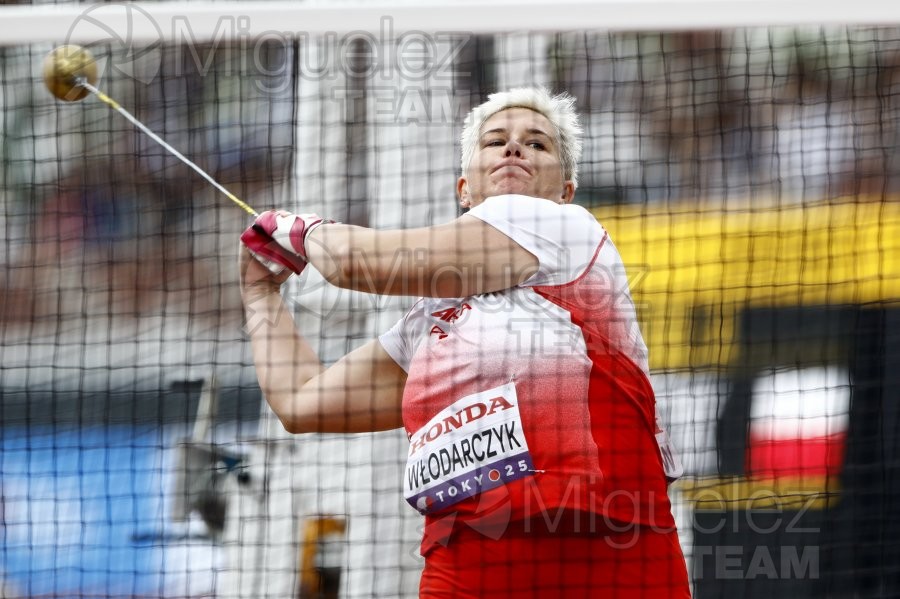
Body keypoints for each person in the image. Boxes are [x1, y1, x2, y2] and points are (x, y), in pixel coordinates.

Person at [239, 87, 691, 598]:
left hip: (604, 545)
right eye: (495, 141)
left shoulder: (566, 229)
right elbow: (302, 401)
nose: (514, 149)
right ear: (464, 188)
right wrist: (259, 293)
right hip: (466, 557)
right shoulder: (425, 324)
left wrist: (300, 230)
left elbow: (354, 263)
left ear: (566, 191)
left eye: (537, 144)